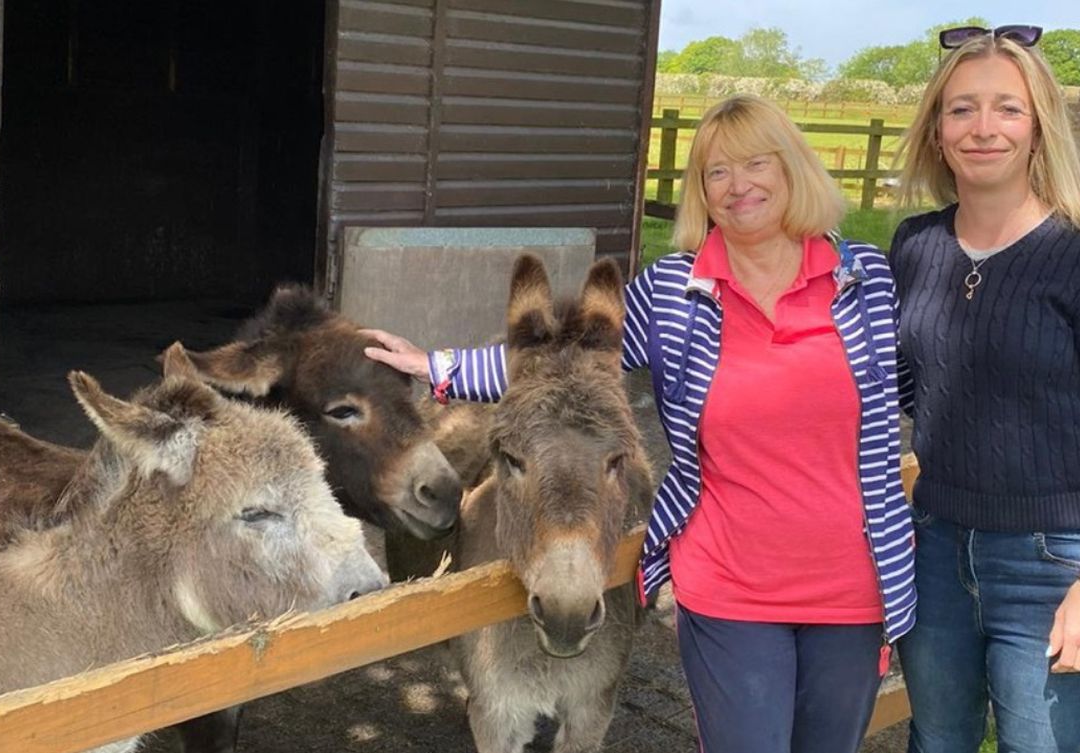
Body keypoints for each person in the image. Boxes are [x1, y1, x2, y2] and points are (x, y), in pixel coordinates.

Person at [364, 93, 917, 753]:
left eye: (756, 164)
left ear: (794, 168)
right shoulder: (674, 291)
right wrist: (439, 366)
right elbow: (562, 364)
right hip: (731, 579)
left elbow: (914, 391)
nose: (738, 186)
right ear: (701, 192)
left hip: (849, 585)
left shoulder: (868, 278)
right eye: (717, 172)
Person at [889, 25, 1080, 753]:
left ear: (1039, 129)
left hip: (1053, 562)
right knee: (936, 740)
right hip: (936, 546)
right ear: (937, 132)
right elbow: (913, 390)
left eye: (1007, 109)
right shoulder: (915, 247)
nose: (983, 128)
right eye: (961, 109)